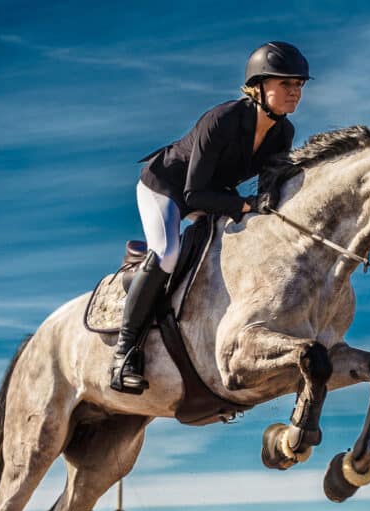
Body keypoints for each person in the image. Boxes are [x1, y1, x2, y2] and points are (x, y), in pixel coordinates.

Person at [110, 41, 311, 394]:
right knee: (168, 252)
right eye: (286, 84)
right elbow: (193, 195)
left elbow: (268, 186)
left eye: (299, 85)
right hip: (167, 187)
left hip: (213, 191)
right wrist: (245, 206)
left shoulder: (284, 132)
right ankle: (125, 354)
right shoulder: (221, 120)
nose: (295, 92)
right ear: (259, 86)